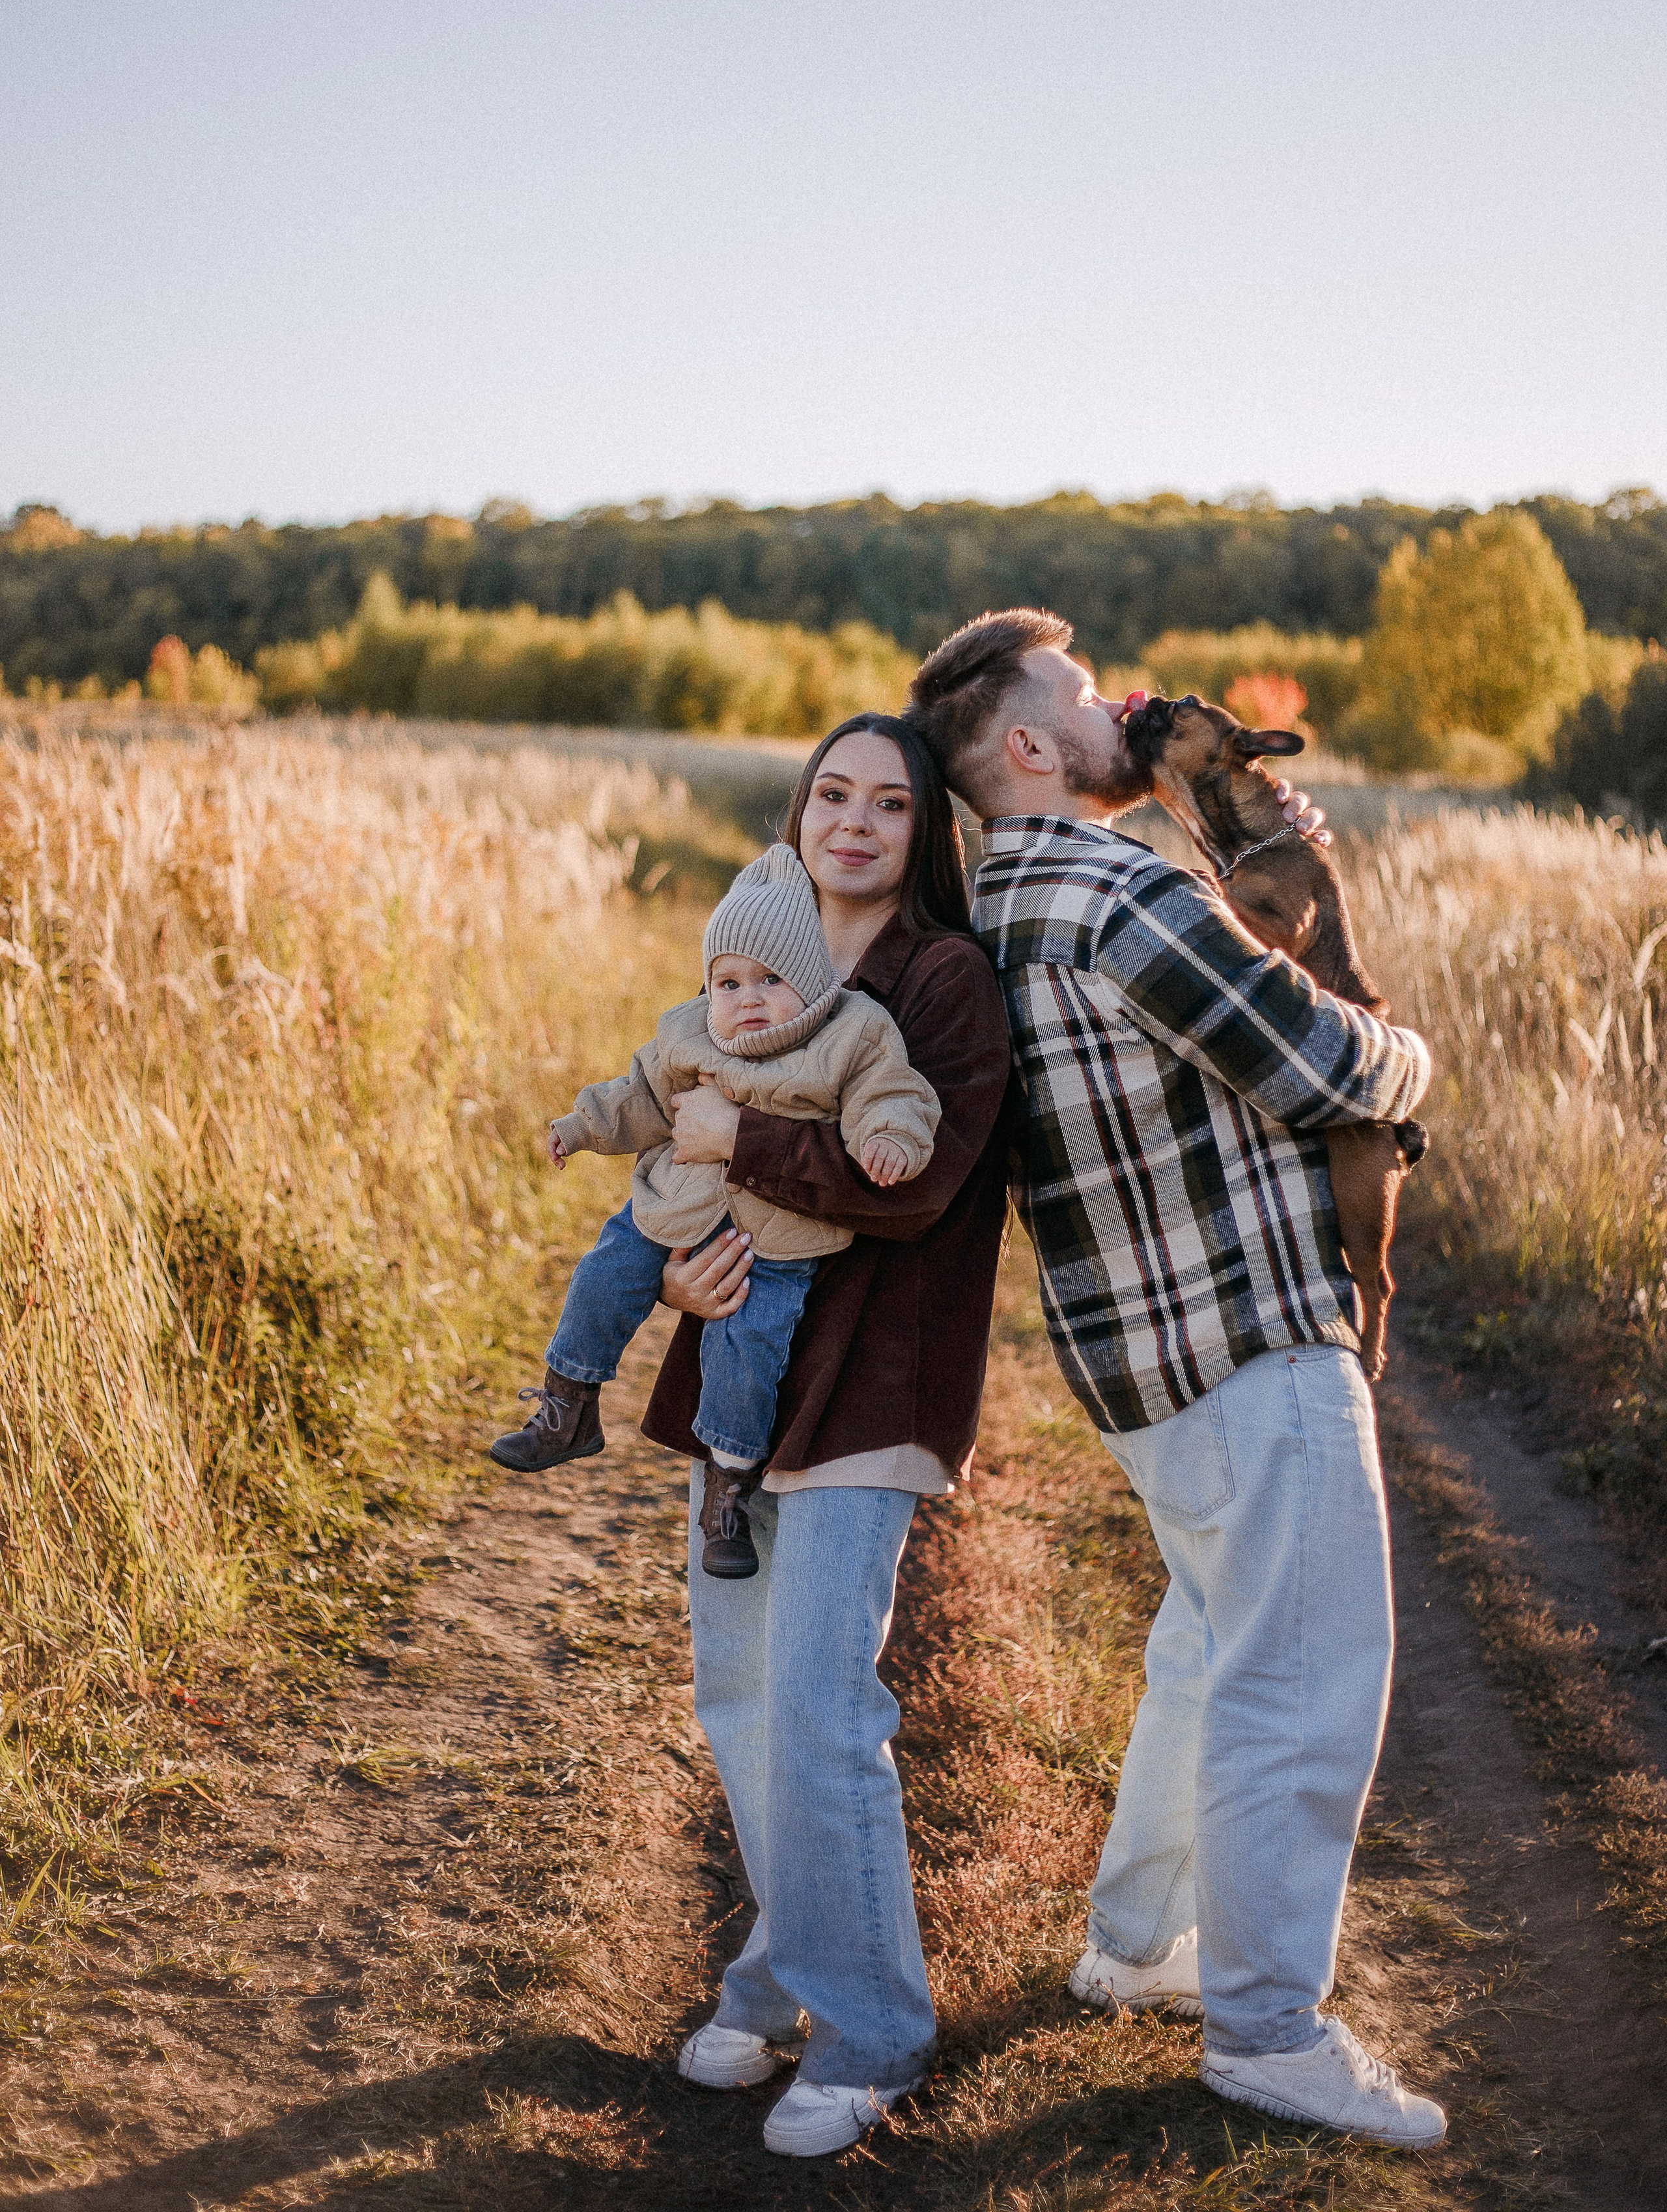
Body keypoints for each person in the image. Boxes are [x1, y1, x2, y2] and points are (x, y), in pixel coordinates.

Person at [906, 608, 1448, 2153]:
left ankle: (1138, 1940)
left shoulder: (1010, 894)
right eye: (1076, 694)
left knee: (1214, 1641)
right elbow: (1323, 1065)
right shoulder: (1111, 884)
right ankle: (1268, 2027)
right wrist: (1407, 1058)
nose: (1109, 706)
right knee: (1304, 1669)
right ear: (1023, 744)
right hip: (1244, 1336)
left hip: (1137, 1359)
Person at [637, 714, 1013, 2159]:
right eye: (830, 794)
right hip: (740, 1369)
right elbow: (678, 1133)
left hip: (878, 1382)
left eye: (889, 804)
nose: (852, 822)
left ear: (925, 834)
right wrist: (676, 1256)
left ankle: (868, 2031)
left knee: (815, 1707)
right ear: (800, 810)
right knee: (737, 1698)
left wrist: (744, 1146)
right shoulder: (759, 949)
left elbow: (908, 1192)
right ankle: (773, 1979)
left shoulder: (944, 981)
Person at [488, 843, 940, 1581]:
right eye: (728, 982)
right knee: (604, 1275)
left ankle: (728, 1492)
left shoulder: (852, 1034)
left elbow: (890, 1095)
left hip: (779, 1239)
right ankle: (567, 1404)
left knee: (748, 1350)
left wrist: (889, 1137)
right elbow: (636, 1096)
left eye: (772, 979)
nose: (748, 998)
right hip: (673, 1206)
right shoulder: (691, 1031)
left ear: (814, 979)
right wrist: (579, 1127)